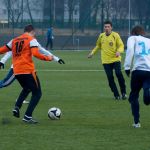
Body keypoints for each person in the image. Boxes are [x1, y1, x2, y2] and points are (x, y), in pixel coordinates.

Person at [0, 24, 59, 124]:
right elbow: (36, 53)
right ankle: (27, 116)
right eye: (34, 32)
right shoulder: (31, 39)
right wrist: (49, 58)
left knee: (27, 89)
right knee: (37, 93)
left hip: (17, 71)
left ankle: (17, 107)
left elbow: (2, 50)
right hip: (27, 70)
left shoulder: (14, 40)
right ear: (32, 31)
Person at [0, 46, 65, 104]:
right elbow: (9, 52)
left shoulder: (33, 43)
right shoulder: (19, 42)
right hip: (17, 68)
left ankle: (21, 100)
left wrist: (57, 59)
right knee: (6, 83)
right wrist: (2, 61)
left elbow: (43, 51)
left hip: (27, 69)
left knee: (29, 86)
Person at [88, 20, 127, 100]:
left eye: (108, 27)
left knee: (118, 73)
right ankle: (116, 95)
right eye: (105, 27)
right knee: (110, 78)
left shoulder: (115, 35)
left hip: (115, 59)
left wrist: (119, 52)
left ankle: (123, 93)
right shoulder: (101, 36)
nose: (107, 28)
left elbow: (121, 45)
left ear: (111, 27)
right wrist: (92, 53)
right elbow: (98, 46)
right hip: (105, 61)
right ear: (104, 28)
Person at [124, 25, 150, 128]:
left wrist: (127, 67)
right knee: (146, 99)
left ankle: (136, 122)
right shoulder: (148, 40)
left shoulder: (132, 38)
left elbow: (130, 50)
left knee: (134, 96)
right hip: (149, 71)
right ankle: (148, 92)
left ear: (133, 33)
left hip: (138, 71)